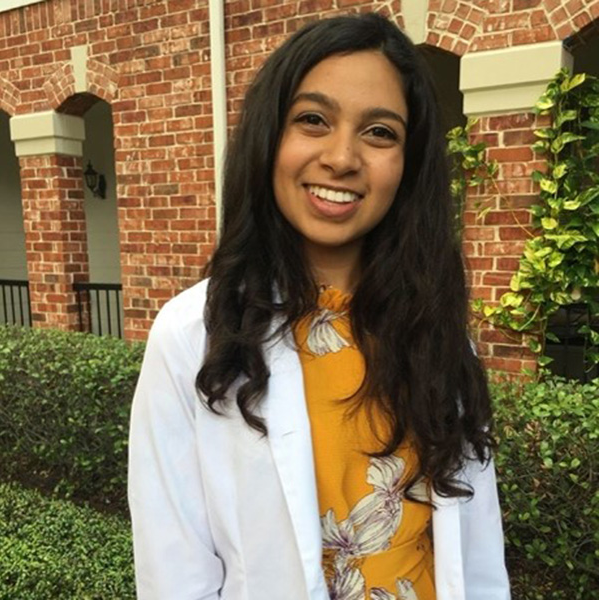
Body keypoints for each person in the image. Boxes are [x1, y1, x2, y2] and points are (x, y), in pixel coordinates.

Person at [128, 12, 511, 600]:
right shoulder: (191, 336)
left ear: (408, 165)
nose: (341, 157)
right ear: (269, 137)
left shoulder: (435, 331)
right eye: (313, 120)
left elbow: (478, 548)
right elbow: (174, 574)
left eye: (379, 132)